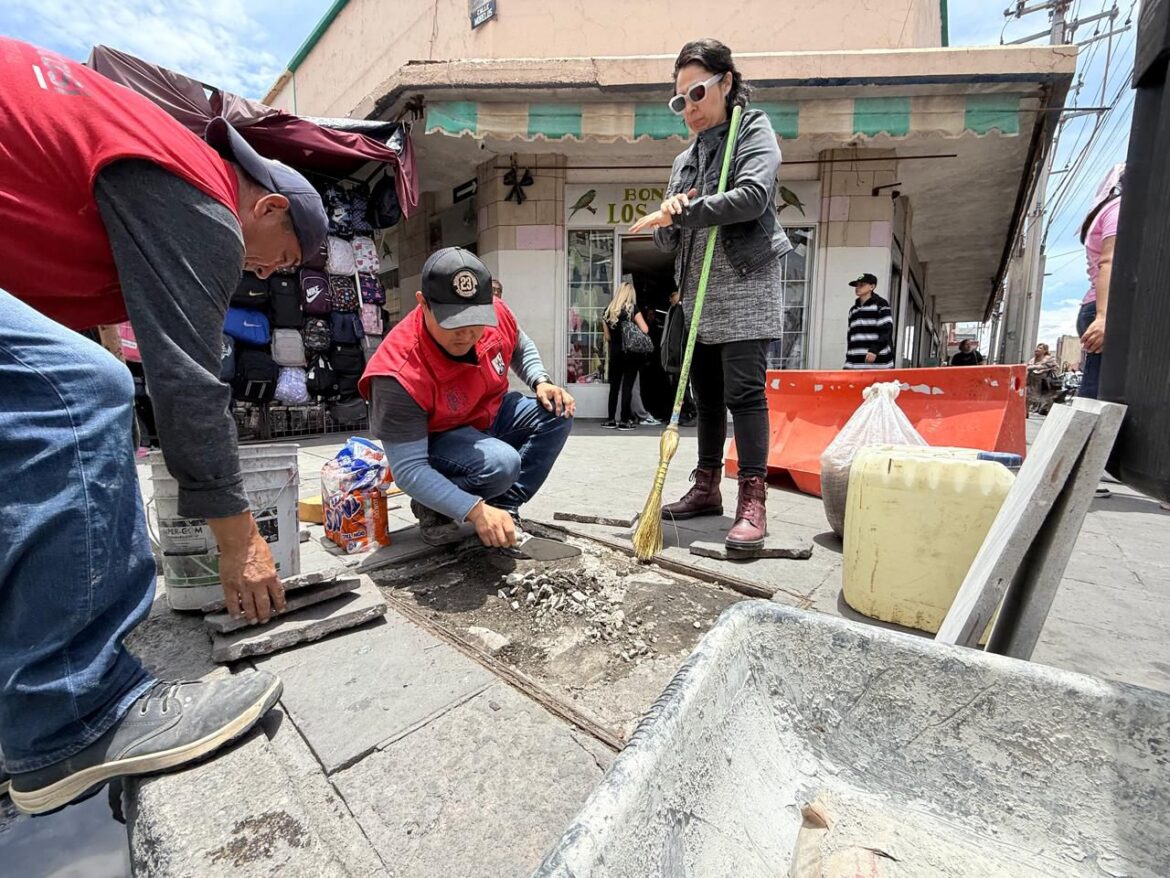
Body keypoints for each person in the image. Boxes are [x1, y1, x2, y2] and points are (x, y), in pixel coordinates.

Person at [0, 39, 327, 813]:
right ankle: (74, 717)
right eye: (281, 262)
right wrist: (239, 540)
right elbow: (186, 383)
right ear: (268, 206)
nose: (266, 276)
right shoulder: (203, 199)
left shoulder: (151, 147)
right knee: (82, 395)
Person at [629, 38, 791, 550]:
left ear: (726, 81)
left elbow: (752, 197)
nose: (690, 108)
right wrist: (668, 222)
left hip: (744, 287)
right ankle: (706, 487)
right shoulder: (686, 159)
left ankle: (753, 499)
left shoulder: (753, 131)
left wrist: (684, 211)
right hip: (697, 292)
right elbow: (668, 234)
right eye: (680, 101)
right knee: (707, 398)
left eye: (696, 92)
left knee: (744, 395)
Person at [361, 247, 575, 548]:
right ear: (423, 304)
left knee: (557, 411)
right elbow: (408, 470)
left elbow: (520, 345)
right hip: (440, 439)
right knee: (502, 464)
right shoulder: (396, 371)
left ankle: (503, 509)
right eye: (453, 323)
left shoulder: (497, 313)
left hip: (488, 413)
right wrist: (473, 510)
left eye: (475, 322)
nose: (466, 334)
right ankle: (435, 507)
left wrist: (541, 381)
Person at [1077, 163, 1123, 399]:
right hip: (1101, 309)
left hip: (1097, 307)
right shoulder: (1118, 208)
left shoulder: (1108, 209)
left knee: (1099, 393)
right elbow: (1110, 261)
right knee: (1097, 398)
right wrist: (1104, 317)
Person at [601, 282, 651, 431]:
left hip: (615, 353)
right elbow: (645, 329)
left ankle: (610, 419)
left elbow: (608, 337)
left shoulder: (607, 311)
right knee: (627, 387)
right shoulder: (632, 309)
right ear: (630, 294)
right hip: (631, 354)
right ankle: (624, 420)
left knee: (614, 387)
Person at [843, 273, 895, 369]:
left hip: (879, 364)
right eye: (856, 285)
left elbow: (886, 330)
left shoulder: (881, 305)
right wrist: (848, 363)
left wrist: (874, 350)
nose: (858, 288)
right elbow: (851, 338)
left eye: (861, 285)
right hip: (855, 365)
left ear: (872, 286)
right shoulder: (853, 310)